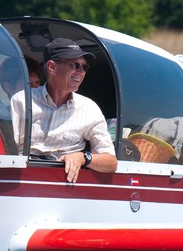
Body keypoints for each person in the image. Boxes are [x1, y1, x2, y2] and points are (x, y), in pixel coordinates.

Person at [10, 38, 117, 182]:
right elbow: (5, 150)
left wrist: (83, 157)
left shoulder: (89, 108)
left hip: (65, 188)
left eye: (84, 67)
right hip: (21, 182)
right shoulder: (21, 100)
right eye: (75, 65)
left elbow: (111, 162)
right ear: (52, 67)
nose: (81, 72)